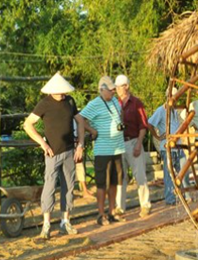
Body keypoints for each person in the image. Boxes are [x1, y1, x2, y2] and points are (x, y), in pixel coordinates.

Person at [22, 73, 81, 239]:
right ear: (52, 91)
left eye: (64, 91)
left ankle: (65, 221)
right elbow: (28, 124)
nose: (62, 94)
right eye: (59, 92)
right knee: (49, 187)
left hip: (69, 150)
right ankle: (46, 223)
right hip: (52, 152)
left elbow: (80, 121)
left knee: (69, 186)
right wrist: (42, 143)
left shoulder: (70, 102)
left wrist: (80, 144)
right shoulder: (44, 104)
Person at [76, 76, 125, 225]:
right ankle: (101, 214)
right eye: (110, 90)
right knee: (102, 183)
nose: (113, 92)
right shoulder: (95, 104)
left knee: (115, 182)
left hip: (117, 148)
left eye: (114, 89)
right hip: (103, 150)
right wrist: (92, 130)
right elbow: (79, 118)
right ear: (102, 89)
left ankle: (111, 212)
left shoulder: (116, 101)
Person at [114, 74, 152, 218]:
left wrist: (138, 143)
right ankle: (119, 207)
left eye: (120, 86)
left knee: (139, 175)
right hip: (119, 143)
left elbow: (143, 125)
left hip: (133, 140)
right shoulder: (115, 103)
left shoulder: (136, 103)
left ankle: (145, 204)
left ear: (127, 86)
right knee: (120, 177)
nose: (118, 89)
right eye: (117, 87)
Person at [147, 92, 183, 206]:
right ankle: (170, 199)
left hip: (178, 147)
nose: (175, 100)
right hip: (167, 147)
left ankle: (180, 195)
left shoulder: (175, 111)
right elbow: (150, 124)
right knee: (169, 174)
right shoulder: (161, 110)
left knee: (182, 171)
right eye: (173, 97)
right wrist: (158, 136)